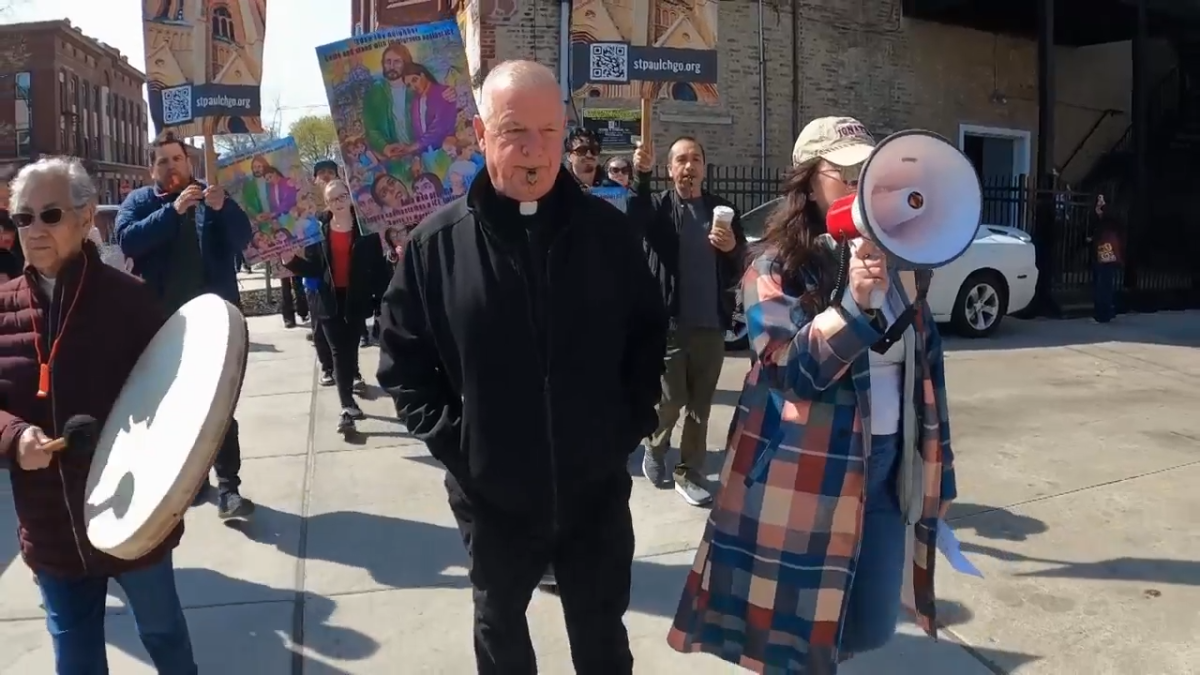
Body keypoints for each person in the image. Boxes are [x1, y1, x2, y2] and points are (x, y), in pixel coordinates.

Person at [376, 60, 667, 675]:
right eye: (514, 132)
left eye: (549, 132)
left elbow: (647, 338)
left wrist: (625, 427)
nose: (534, 150)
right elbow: (403, 364)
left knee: (603, 639)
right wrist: (462, 447)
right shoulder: (435, 247)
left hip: (593, 493)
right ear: (481, 136)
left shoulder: (609, 238)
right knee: (500, 631)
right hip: (493, 500)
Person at [667, 117, 958, 671]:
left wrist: (938, 473)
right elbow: (787, 372)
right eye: (845, 173)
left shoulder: (901, 265)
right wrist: (851, 307)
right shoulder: (772, 267)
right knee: (795, 641)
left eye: (869, 172)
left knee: (867, 627)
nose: (860, 184)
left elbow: (928, 372)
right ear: (807, 182)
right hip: (806, 475)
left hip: (885, 472)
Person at [1, 157, 196, 674]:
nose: (35, 230)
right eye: (23, 218)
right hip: (51, 528)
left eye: (50, 214)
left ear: (86, 219)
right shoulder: (1, 308)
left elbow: (178, 400)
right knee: (75, 657)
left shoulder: (129, 300)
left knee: (164, 633)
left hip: (134, 517)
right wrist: (14, 437)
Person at [115, 133, 256, 521]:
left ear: (189, 161)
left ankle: (230, 488)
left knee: (220, 406)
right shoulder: (141, 203)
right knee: (175, 409)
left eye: (176, 158)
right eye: (162, 161)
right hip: (162, 327)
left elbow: (245, 239)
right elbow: (128, 241)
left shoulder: (212, 199)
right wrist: (172, 212)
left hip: (215, 321)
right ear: (152, 169)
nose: (171, 166)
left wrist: (225, 207)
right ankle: (193, 482)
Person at [629, 134, 746, 507]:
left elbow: (741, 260)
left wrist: (732, 249)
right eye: (680, 160)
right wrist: (641, 177)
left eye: (695, 159)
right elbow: (637, 216)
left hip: (711, 324)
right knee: (671, 398)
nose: (688, 166)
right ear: (670, 170)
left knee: (700, 405)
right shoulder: (661, 209)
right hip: (672, 323)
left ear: (704, 168)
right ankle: (655, 443)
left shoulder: (722, 210)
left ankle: (689, 472)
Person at [284, 179, 387, 432]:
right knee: (339, 351)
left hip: (355, 299)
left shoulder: (365, 229)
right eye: (332, 199)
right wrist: (290, 261)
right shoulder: (318, 230)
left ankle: (349, 395)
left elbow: (377, 268)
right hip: (327, 301)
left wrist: (380, 300)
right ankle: (347, 405)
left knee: (350, 350)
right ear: (326, 203)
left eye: (342, 197)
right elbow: (314, 267)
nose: (338, 203)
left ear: (350, 198)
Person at [1087, 194, 1122, 324]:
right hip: (1099, 251)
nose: (1100, 203)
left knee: (1105, 283)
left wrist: (1102, 212)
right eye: (1098, 199)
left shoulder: (1110, 215)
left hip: (1106, 250)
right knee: (1100, 282)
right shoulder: (1097, 215)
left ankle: (1104, 313)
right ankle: (1102, 311)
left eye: (1102, 199)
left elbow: (1110, 225)